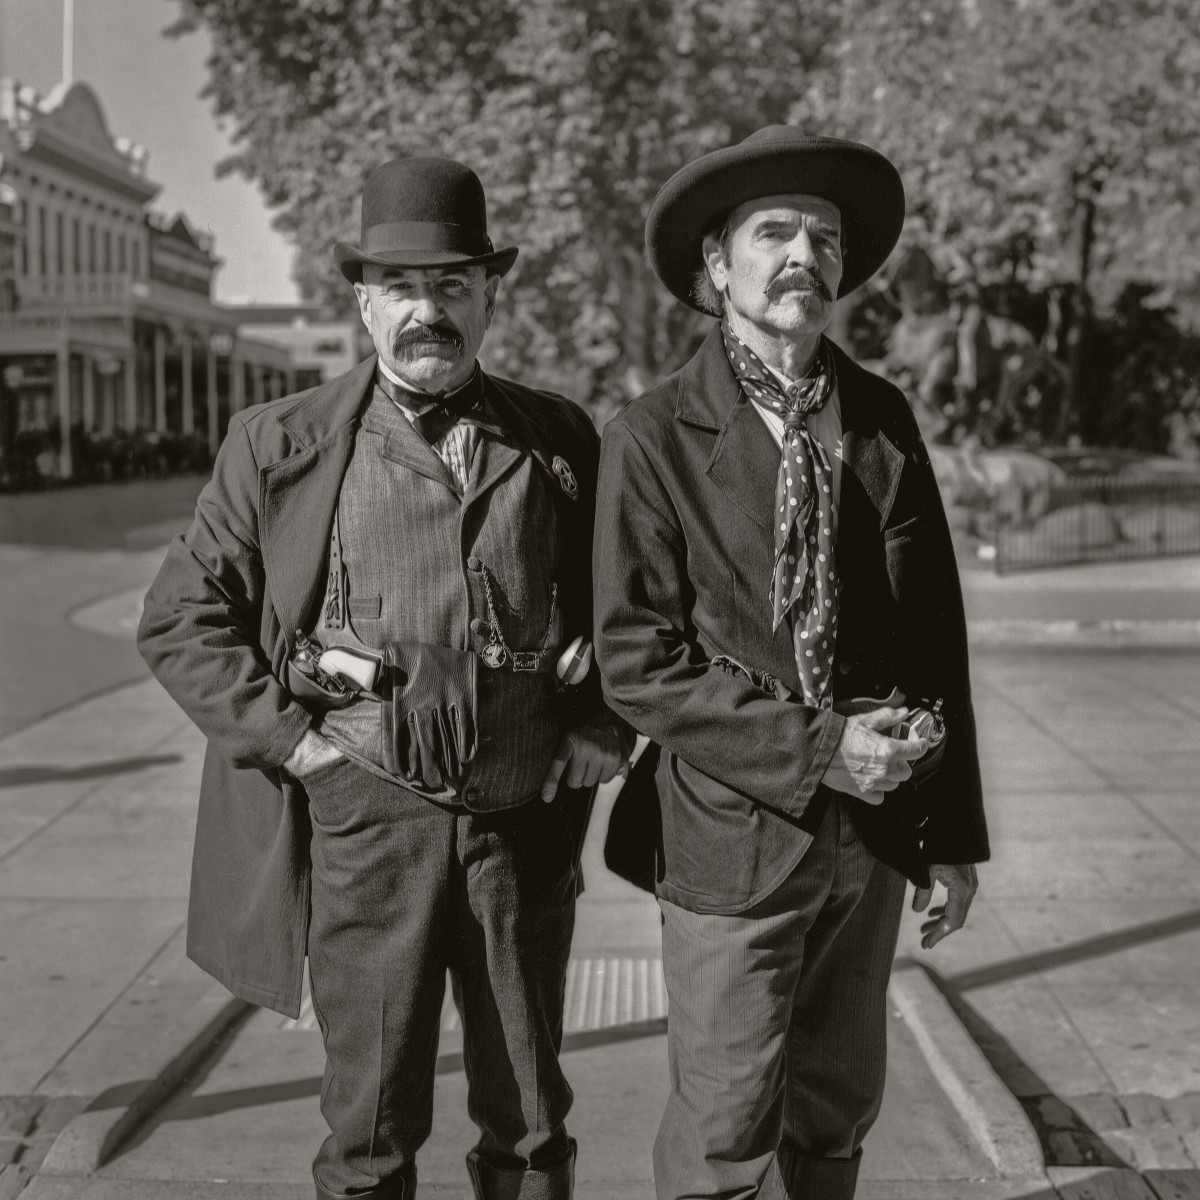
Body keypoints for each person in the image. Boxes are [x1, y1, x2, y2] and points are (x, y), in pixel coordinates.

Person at [138, 155, 632, 1200]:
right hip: (367, 826)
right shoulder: (280, 445)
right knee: (367, 1134)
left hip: (522, 831)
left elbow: (629, 608)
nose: (428, 312)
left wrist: (598, 722)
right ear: (362, 302)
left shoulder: (560, 441)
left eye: (453, 286)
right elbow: (182, 621)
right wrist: (303, 751)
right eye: (402, 288)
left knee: (534, 1127)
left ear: (491, 294)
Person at [593, 126, 990, 1200]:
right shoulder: (649, 439)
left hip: (872, 838)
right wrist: (822, 749)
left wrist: (950, 837)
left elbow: (932, 637)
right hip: (732, 837)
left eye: (823, 235)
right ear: (717, 265)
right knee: (725, 1126)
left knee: (837, 1109)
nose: (801, 254)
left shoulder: (883, 420)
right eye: (773, 232)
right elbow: (636, 663)